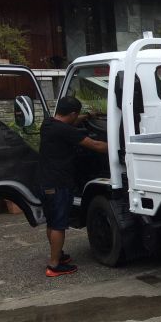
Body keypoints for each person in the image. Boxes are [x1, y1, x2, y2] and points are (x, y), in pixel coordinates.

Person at [38, 96, 108, 277]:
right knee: (59, 225)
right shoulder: (67, 132)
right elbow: (95, 145)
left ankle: (57, 255)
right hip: (59, 184)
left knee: (52, 222)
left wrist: (87, 116)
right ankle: (54, 265)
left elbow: (73, 120)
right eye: (75, 115)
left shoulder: (48, 124)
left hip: (45, 182)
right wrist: (120, 145)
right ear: (71, 114)